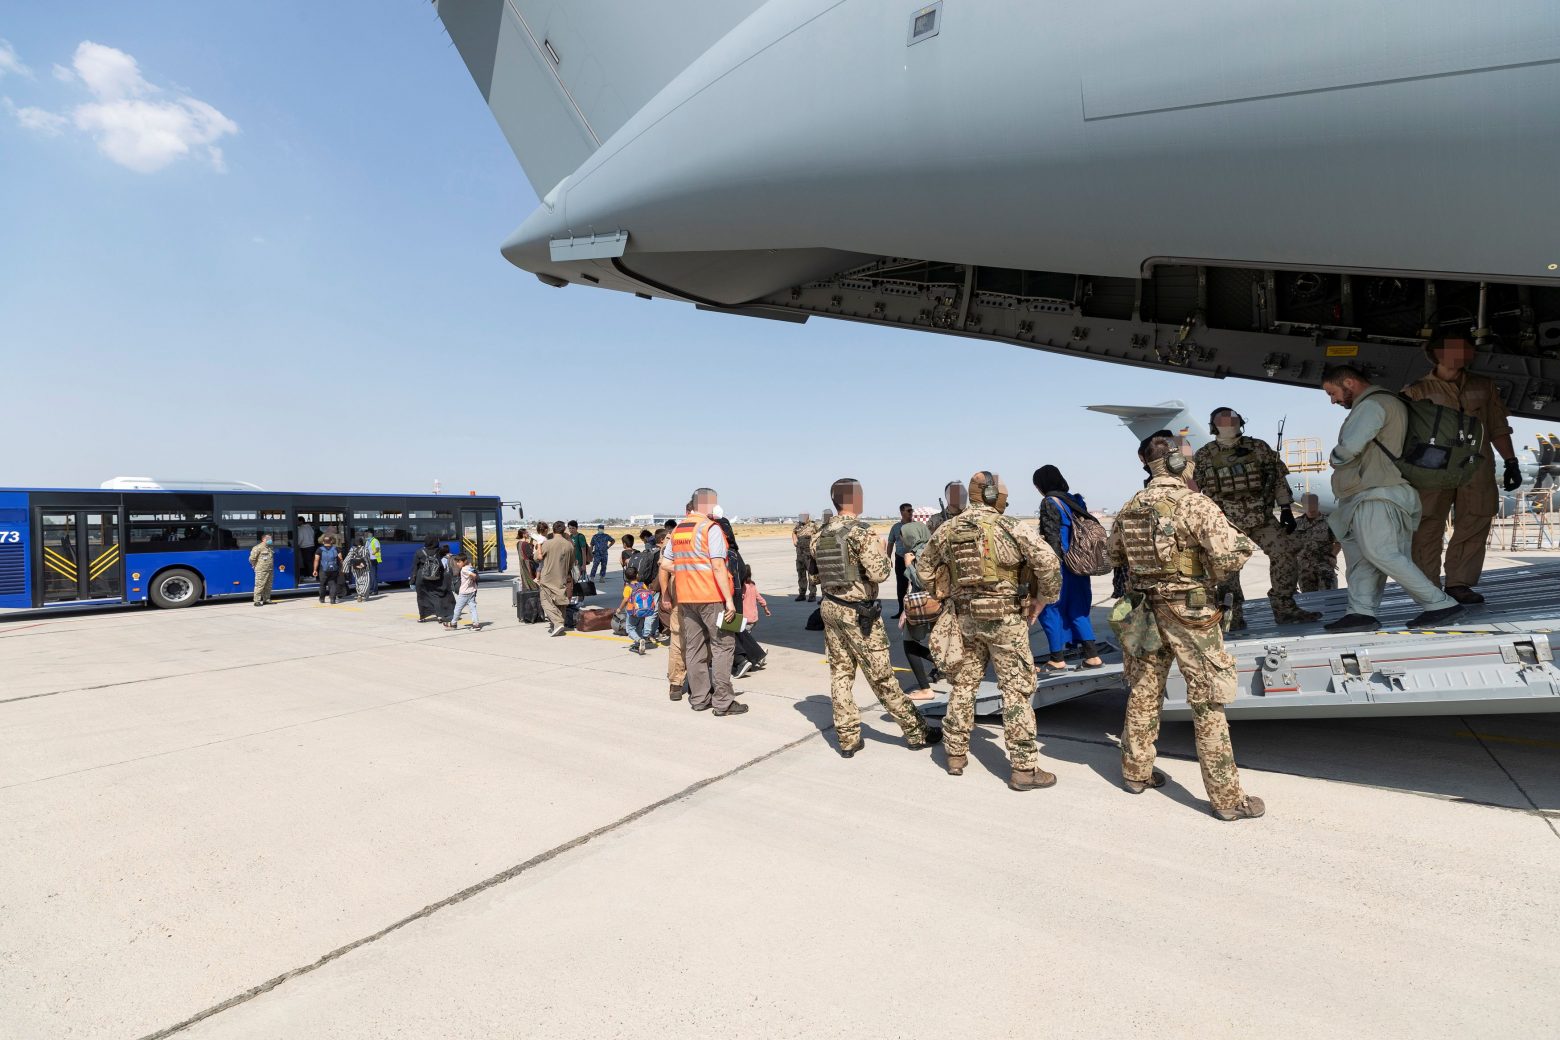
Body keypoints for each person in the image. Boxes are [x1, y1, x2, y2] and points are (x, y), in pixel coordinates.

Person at [1106, 431, 1266, 821]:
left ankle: (1136, 772)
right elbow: (1227, 558)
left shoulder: (1130, 506)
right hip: (1190, 612)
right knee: (1208, 699)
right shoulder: (1196, 503)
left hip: (1144, 609)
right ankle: (1227, 799)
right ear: (1177, 462)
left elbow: (1113, 555)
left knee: (1144, 689)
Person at [915, 471, 1062, 789]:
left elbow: (923, 568)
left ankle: (955, 753)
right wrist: (1043, 599)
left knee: (964, 685)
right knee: (1016, 690)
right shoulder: (1010, 526)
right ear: (994, 495)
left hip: (965, 619)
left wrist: (945, 592)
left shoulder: (948, 528)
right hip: (1005, 620)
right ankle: (1024, 768)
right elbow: (1049, 563)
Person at [1320, 365, 1464, 631]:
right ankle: (1361, 612)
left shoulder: (1372, 405)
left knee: (1382, 553)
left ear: (1349, 383)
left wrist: (1334, 458)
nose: (1333, 400)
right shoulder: (1383, 403)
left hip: (1378, 492)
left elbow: (1350, 447)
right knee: (1363, 559)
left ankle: (1440, 604)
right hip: (1368, 493)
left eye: (1332, 393)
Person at [811, 478, 938, 756]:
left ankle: (847, 738)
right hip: (859, 614)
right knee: (882, 677)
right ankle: (916, 731)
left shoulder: (819, 535)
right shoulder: (861, 532)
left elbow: (814, 576)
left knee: (841, 673)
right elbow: (880, 573)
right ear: (854, 499)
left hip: (830, 608)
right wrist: (880, 548)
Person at [1403, 327, 1522, 604]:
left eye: (1467, 348)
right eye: (1458, 348)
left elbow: (1497, 426)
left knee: (1476, 518)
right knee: (1427, 524)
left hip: (1475, 465)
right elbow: (1403, 434)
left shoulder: (1484, 386)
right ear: (1438, 353)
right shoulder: (1416, 391)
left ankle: (1459, 583)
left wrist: (1511, 461)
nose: (1466, 353)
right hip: (1433, 469)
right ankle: (1428, 586)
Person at [1191, 408, 1316, 630]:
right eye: (1223, 421)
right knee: (1227, 569)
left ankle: (1285, 608)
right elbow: (1194, 491)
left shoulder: (1258, 447)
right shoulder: (1204, 455)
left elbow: (1277, 479)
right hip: (1225, 523)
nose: (1228, 425)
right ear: (1213, 426)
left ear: (1240, 423)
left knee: (1285, 553)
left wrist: (1285, 508)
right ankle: (1232, 617)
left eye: (1232, 421)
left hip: (1261, 517)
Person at [661, 488, 747, 716]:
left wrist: (688, 570)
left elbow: (665, 563)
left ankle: (699, 699)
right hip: (710, 596)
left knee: (694, 647)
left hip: (686, 598)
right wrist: (729, 601)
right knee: (723, 646)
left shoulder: (678, 530)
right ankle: (723, 702)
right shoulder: (710, 528)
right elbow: (718, 566)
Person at [1034, 466, 1104, 673]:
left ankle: (1057, 659)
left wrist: (1048, 571)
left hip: (1063, 566)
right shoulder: (1076, 500)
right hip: (1080, 565)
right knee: (1078, 609)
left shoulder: (1049, 502)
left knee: (1050, 608)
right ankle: (1092, 656)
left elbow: (1053, 539)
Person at [1291, 493, 1340, 592]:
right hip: (1304, 571)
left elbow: (1339, 542)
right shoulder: (1296, 524)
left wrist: (1333, 556)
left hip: (1325, 569)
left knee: (1328, 597)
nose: (1311, 509)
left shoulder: (1329, 521)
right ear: (1303, 505)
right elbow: (1290, 546)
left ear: (1318, 504)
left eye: (1313, 505)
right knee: (1309, 599)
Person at [732, 563, 771, 678]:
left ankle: (756, 655)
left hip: (745, 619)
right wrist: (765, 608)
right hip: (753, 619)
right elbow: (760, 598)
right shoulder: (752, 585)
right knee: (747, 638)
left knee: (743, 641)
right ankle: (757, 654)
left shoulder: (742, 587)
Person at [537, 521, 575, 635]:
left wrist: (538, 546)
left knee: (545, 601)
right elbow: (572, 563)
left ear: (553, 530)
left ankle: (557, 623)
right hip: (562, 576)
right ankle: (559, 624)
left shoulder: (547, 543)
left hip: (547, 578)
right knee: (560, 601)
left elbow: (536, 557)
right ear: (564, 530)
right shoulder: (569, 545)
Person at [886, 502, 915, 617]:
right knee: (901, 587)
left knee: (916, 585)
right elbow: (890, 543)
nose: (911, 512)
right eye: (908, 510)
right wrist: (888, 559)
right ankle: (901, 611)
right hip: (900, 559)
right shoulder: (896, 527)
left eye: (912, 510)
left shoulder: (916, 526)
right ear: (902, 512)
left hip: (914, 559)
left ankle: (915, 611)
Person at [622, 574, 659, 654]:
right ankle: (638, 644)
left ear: (626, 577)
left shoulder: (627, 587)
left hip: (633, 612)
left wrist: (619, 608)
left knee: (630, 629)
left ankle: (639, 640)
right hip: (643, 611)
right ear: (637, 575)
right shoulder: (642, 585)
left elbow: (625, 600)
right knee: (639, 628)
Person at [412, 535, 446, 622]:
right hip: (435, 575)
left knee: (421, 596)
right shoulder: (439, 551)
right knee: (436, 595)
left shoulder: (419, 552)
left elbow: (415, 567)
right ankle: (439, 616)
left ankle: (423, 617)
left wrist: (412, 581)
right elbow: (441, 563)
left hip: (421, 576)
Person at [445, 553, 481, 631]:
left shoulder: (464, 569)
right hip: (472, 591)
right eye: (457, 562)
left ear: (464, 561)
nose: (457, 564)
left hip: (464, 593)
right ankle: (476, 624)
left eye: (459, 562)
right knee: (473, 608)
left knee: (457, 609)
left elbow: (473, 575)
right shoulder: (470, 567)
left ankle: (453, 624)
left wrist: (473, 575)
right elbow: (473, 574)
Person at [791, 512, 819, 602]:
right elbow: (794, 532)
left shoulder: (813, 525)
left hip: (809, 555)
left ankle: (812, 595)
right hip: (800, 554)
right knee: (801, 574)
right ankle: (802, 594)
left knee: (811, 575)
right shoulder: (798, 525)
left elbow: (820, 534)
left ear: (807, 517)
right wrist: (794, 540)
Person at [313, 533, 344, 605]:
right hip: (334, 569)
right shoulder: (336, 549)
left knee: (322, 584)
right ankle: (332, 599)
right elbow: (341, 559)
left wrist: (315, 570)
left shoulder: (319, 549)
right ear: (331, 541)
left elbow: (316, 560)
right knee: (333, 584)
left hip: (323, 570)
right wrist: (342, 568)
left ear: (323, 542)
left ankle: (322, 599)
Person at [248, 530, 274, 606]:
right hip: (261, 570)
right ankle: (257, 601)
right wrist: (255, 566)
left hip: (269, 570)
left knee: (268, 586)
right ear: (263, 539)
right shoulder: (258, 548)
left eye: (270, 539)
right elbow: (252, 559)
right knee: (259, 585)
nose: (270, 540)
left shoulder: (269, 548)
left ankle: (266, 599)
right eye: (268, 539)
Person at [345, 536, 373, 603]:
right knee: (366, 581)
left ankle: (359, 594)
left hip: (355, 568)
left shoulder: (352, 549)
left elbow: (348, 558)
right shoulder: (365, 549)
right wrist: (369, 566)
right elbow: (368, 559)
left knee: (358, 581)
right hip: (364, 567)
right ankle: (362, 595)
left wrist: (345, 567)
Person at [365, 529, 383, 596]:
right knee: (370, 576)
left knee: (373, 576)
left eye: (367, 533)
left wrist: (372, 553)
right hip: (368, 560)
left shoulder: (375, 540)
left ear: (371, 534)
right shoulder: (367, 541)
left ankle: (375, 591)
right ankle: (370, 589)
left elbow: (377, 549)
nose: (366, 535)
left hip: (374, 559)